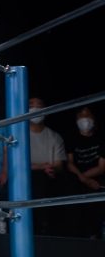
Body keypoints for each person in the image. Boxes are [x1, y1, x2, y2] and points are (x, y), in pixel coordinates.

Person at [29, 97, 67, 235]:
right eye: (31, 105)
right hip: (27, 178)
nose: (35, 109)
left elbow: (59, 165)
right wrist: (41, 167)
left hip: (49, 178)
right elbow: (16, 164)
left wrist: (51, 169)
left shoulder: (54, 136)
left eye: (39, 105)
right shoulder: (19, 135)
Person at [65, 106, 105, 238]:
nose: (85, 119)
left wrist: (86, 179)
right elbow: (69, 163)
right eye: (81, 116)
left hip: (98, 178)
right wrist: (84, 179)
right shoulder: (71, 138)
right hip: (78, 178)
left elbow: (102, 167)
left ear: (94, 118)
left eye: (87, 115)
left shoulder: (101, 138)